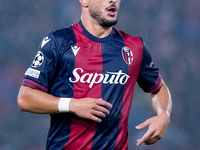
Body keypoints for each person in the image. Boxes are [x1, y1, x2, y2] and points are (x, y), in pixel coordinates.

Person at [17, 0, 172, 149]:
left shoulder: (134, 47)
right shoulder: (57, 42)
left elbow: (158, 88)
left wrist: (163, 115)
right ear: (84, 1)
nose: (113, 1)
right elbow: (25, 98)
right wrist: (71, 104)